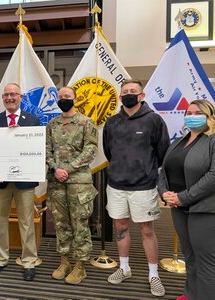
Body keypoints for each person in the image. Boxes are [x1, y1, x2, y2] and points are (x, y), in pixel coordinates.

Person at [103, 79, 170, 297]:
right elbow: (108, 152)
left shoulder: (154, 120)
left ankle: (153, 274)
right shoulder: (112, 123)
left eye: (133, 91)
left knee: (147, 230)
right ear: (120, 97)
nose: (129, 94)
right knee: (120, 227)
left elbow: (162, 153)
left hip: (143, 186)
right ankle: (124, 268)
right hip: (116, 185)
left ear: (142, 95)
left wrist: (146, 170)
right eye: (125, 92)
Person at [159, 99, 215, 300]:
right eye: (188, 113)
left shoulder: (212, 141)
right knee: (189, 256)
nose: (192, 117)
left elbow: (213, 176)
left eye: (197, 113)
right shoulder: (179, 142)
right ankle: (191, 294)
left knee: (206, 260)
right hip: (178, 208)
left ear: (209, 116)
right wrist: (164, 192)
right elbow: (164, 171)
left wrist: (183, 197)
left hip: (204, 209)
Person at [0, 83, 40, 281]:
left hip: (24, 180)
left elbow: (36, 149)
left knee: (26, 222)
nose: (9, 97)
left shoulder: (33, 120)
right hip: (0, 181)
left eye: (13, 94)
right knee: (0, 219)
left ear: (21, 97)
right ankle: (0, 259)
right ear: (2, 98)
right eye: (6, 95)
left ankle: (29, 262)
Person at [46, 86, 98, 285]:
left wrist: (68, 168)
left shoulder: (86, 122)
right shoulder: (52, 124)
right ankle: (65, 261)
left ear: (75, 99)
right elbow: (46, 149)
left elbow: (91, 150)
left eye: (67, 96)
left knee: (80, 224)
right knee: (61, 224)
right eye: (60, 97)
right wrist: (54, 168)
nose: (63, 99)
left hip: (79, 182)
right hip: (57, 182)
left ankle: (80, 266)